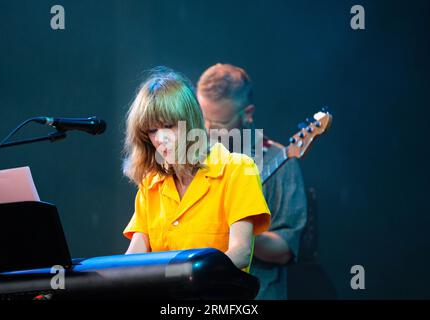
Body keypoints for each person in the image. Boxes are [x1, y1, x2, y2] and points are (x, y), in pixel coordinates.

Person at [122, 67, 270, 271]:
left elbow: (241, 252)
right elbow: (134, 256)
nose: (160, 138)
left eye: (168, 126)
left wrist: (185, 274)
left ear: (191, 122)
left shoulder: (237, 168)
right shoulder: (151, 183)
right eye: (152, 130)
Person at [197, 63, 307, 299]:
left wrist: (240, 230)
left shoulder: (281, 162)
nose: (207, 131)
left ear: (247, 113)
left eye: (218, 125)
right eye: (202, 119)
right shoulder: (193, 159)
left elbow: (286, 249)